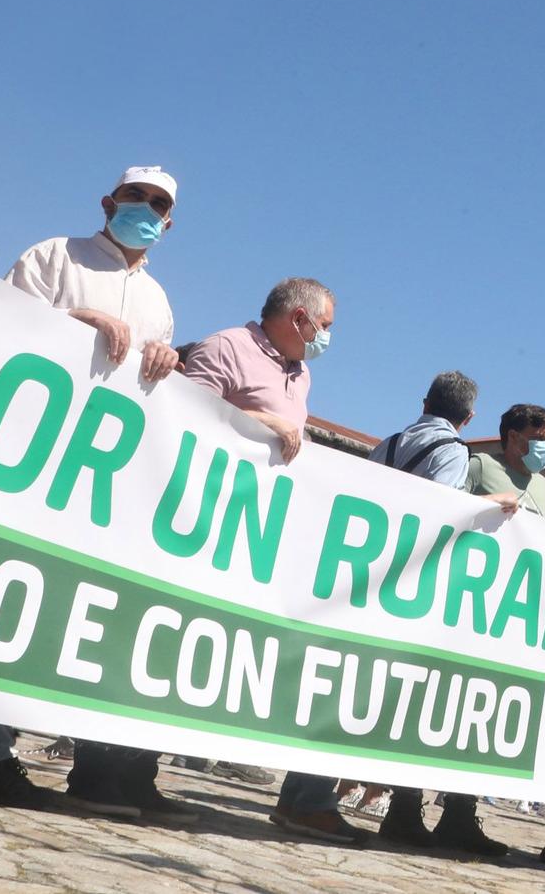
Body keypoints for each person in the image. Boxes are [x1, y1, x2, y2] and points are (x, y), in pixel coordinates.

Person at [0, 167, 189, 821]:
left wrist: (164, 362)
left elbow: (152, 380)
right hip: (29, 447)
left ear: (169, 222)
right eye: (137, 197)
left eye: (159, 204)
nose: (146, 209)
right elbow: (2, 324)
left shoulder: (159, 300)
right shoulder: (54, 255)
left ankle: (83, 764)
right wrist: (76, 318)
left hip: (99, 472)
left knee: (62, 609)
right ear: (109, 200)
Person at [180, 277, 355, 844]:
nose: (328, 337)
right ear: (299, 318)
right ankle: (112, 768)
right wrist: (264, 424)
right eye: (325, 326)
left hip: (251, 536)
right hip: (195, 524)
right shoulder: (227, 346)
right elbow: (178, 416)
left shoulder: (301, 374)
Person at [370, 372, 509, 859]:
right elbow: (438, 512)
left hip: (370, 578)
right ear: (469, 417)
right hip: (413, 588)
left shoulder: (387, 444)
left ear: (424, 400)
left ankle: (396, 805)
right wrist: (489, 503)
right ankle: (404, 809)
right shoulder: (453, 451)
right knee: (415, 699)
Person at [461, 403, 545, 517]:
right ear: (513, 436)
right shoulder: (480, 465)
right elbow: (446, 506)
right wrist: (491, 501)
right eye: (539, 438)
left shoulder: (542, 485)